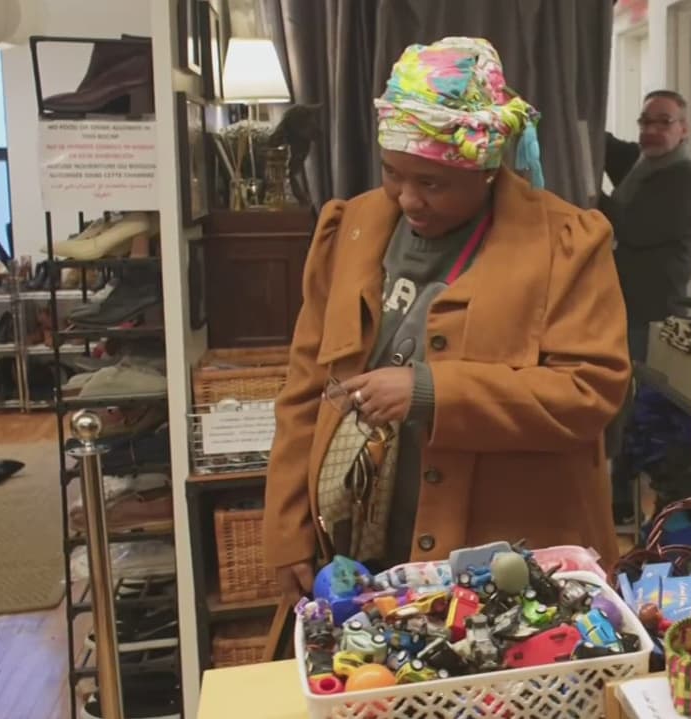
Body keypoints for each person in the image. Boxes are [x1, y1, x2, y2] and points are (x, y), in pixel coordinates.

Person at [263, 37, 631, 594]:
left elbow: (591, 391)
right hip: (365, 542)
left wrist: (431, 391)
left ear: (487, 170)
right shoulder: (351, 230)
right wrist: (287, 528)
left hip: (510, 561)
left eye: (432, 182)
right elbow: (306, 387)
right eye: (392, 173)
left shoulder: (567, 243)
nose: (407, 199)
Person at [600, 90, 691, 363]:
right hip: (623, 307)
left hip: (653, 314)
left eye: (664, 122)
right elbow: (602, 142)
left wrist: (590, 193)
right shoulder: (643, 162)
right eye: (645, 122)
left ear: (683, 129)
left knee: (642, 382)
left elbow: (633, 228)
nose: (651, 130)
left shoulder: (684, 177)